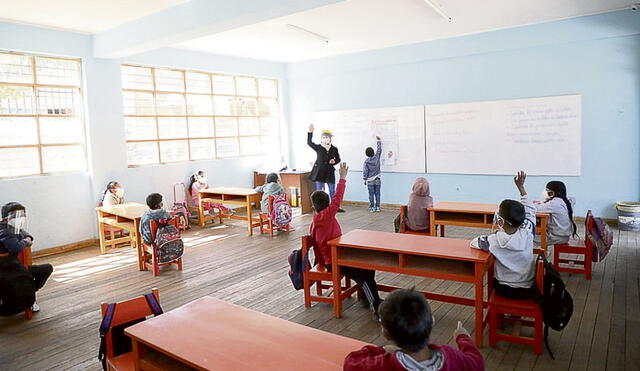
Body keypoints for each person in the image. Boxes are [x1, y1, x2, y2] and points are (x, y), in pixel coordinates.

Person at [344, 289, 484, 370]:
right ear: (432, 321)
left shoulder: (384, 364)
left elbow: (350, 363)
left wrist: (382, 350)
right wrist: (463, 338)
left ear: (385, 333)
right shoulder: (453, 357)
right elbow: (477, 362)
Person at [310, 162, 381, 319]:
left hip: (336, 257)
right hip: (334, 261)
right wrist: (342, 178)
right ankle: (376, 307)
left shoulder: (317, 220)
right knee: (364, 273)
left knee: (367, 268)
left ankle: (367, 299)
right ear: (328, 205)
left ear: (314, 207)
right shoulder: (326, 216)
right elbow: (338, 198)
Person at [470, 171, 536, 299]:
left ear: (500, 221)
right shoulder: (528, 231)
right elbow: (530, 210)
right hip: (529, 287)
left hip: (507, 289)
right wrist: (521, 188)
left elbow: (474, 242)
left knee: (491, 278)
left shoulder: (494, 241)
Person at [0, 202, 53, 313]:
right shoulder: (4, 231)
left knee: (45, 268)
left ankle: (30, 290)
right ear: (5, 218)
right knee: (46, 268)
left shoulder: (11, 227)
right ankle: (30, 292)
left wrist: (28, 237)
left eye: (23, 215)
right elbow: (15, 247)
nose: (21, 219)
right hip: (7, 271)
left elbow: (24, 232)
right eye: (17, 216)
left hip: (14, 267)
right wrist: (25, 241)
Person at [307, 124, 344, 212]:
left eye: (327, 137)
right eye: (323, 137)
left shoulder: (334, 149)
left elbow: (338, 159)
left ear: (330, 138)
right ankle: (319, 208)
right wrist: (310, 132)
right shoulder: (319, 148)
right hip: (319, 172)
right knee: (319, 191)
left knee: (332, 190)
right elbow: (309, 143)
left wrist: (334, 161)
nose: (325, 139)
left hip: (329, 173)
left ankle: (335, 207)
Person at [535, 181, 577, 245]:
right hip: (563, 236)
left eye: (549, 192)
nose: (547, 194)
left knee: (528, 238)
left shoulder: (555, 203)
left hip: (556, 237)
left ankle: (540, 253)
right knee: (535, 232)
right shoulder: (566, 200)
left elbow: (535, 209)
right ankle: (542, 253)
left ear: (556, 193)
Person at [363, 136, 382, 212]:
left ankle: (371, 207)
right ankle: (378, 207)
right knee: (377, 194)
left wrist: (365, 179)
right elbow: (379, 150)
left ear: (366, 154)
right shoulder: (377, 157)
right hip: (377, 178)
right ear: (373, 152)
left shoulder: (366, 161)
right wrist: (379, 141)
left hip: (370, 180)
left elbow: (365, 171)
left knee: (371, 194)